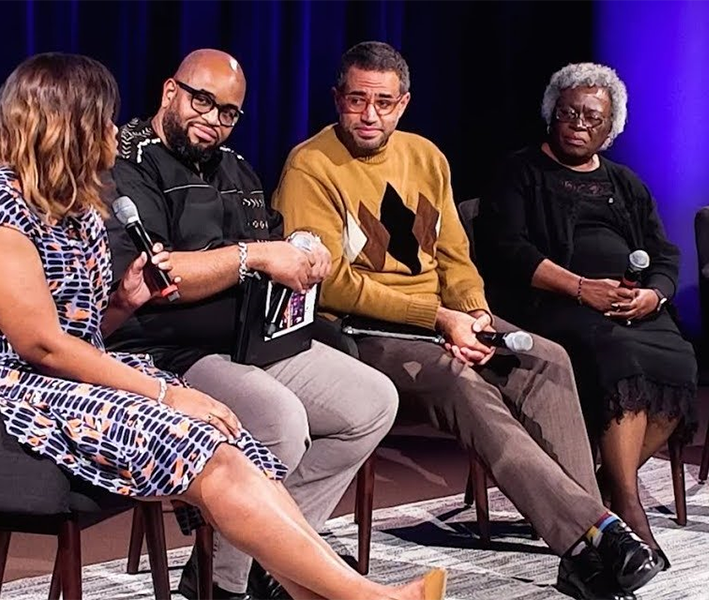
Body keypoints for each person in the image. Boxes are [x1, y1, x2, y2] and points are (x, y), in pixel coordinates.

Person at [0, 52, 444, 600]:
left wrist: (124, 300)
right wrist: (165, 391)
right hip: (35, 391)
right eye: (104, 119)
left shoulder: (80, 209)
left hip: (99, 371)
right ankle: (362, 598)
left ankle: (313, 589)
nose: (113, 129)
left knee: (232, 441)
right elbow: (42, 345)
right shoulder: (7, 212)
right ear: (66, 127)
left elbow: (87, 326)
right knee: (212, 442)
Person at [272, 41, 662, 600]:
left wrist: (475, 313)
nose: (369, 115)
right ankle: (592, 534)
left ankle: (582, 550)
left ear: (403, 103)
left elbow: (455, 257)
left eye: (383, 103)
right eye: (356, 101)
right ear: (337, 99)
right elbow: (328, 282)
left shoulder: (426, 156)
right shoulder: (311, 164)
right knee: (463, 383)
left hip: (444, 316)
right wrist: (440, 317)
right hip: (361, 330)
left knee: (545, 360)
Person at [105, 49, 399, 600]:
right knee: (280, 424)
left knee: (373, 401)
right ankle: (222, 583)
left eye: (228, 112)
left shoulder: (236, 167)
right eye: (202, 101)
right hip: (170, 352)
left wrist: (306, 251)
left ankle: (271, 560)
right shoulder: (127, 161)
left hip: (254, 340)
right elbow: (157, 276)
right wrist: (255, 256)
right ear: (171, 91)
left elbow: (278, 240)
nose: (213, 119)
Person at [475, 63, 697, 567]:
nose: (578, 123)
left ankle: (600, 491)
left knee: (679, 361)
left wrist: (654, 296)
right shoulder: (520, 172)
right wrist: (580, 288)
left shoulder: (626, 183)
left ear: (610, 129)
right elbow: (505, 249)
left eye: (592, 117)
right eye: (569, 112)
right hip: (549, 306)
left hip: (626, 306)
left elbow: (664, 254)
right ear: (552, 114)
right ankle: (630, 509)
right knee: (620, 353)